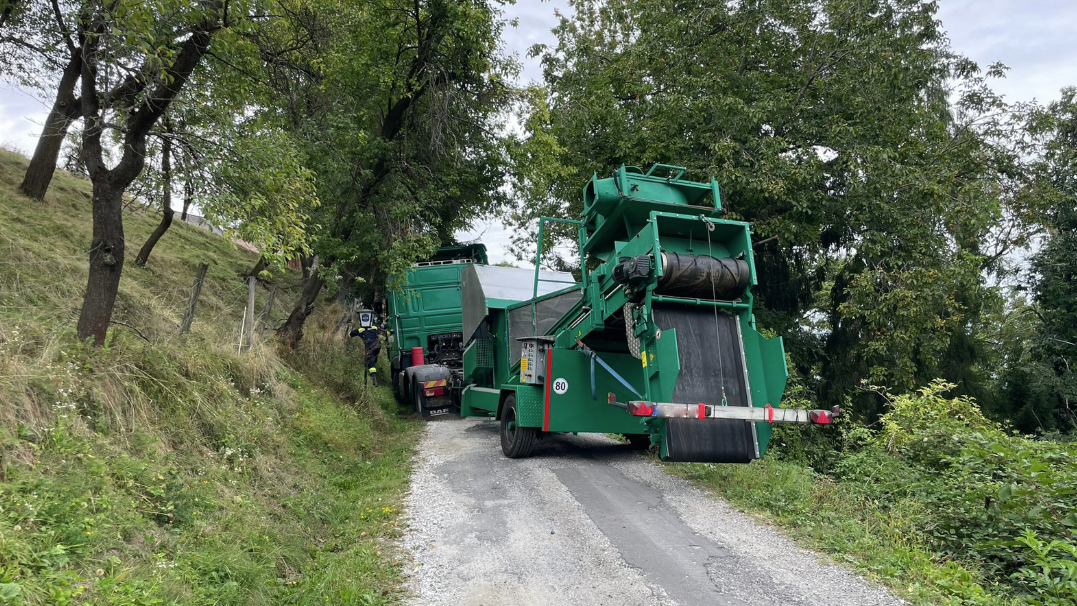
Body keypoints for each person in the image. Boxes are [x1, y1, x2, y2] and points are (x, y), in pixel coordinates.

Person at [350, 308, 383, 386]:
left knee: (371, 362)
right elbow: (383, 332)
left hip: (370, 347)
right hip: (378, 346)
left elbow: (351, 334)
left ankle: (374, 378)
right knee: (373, 358)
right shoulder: (375, 328)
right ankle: (372, 366)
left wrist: (359, 332)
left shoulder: (361, 330)